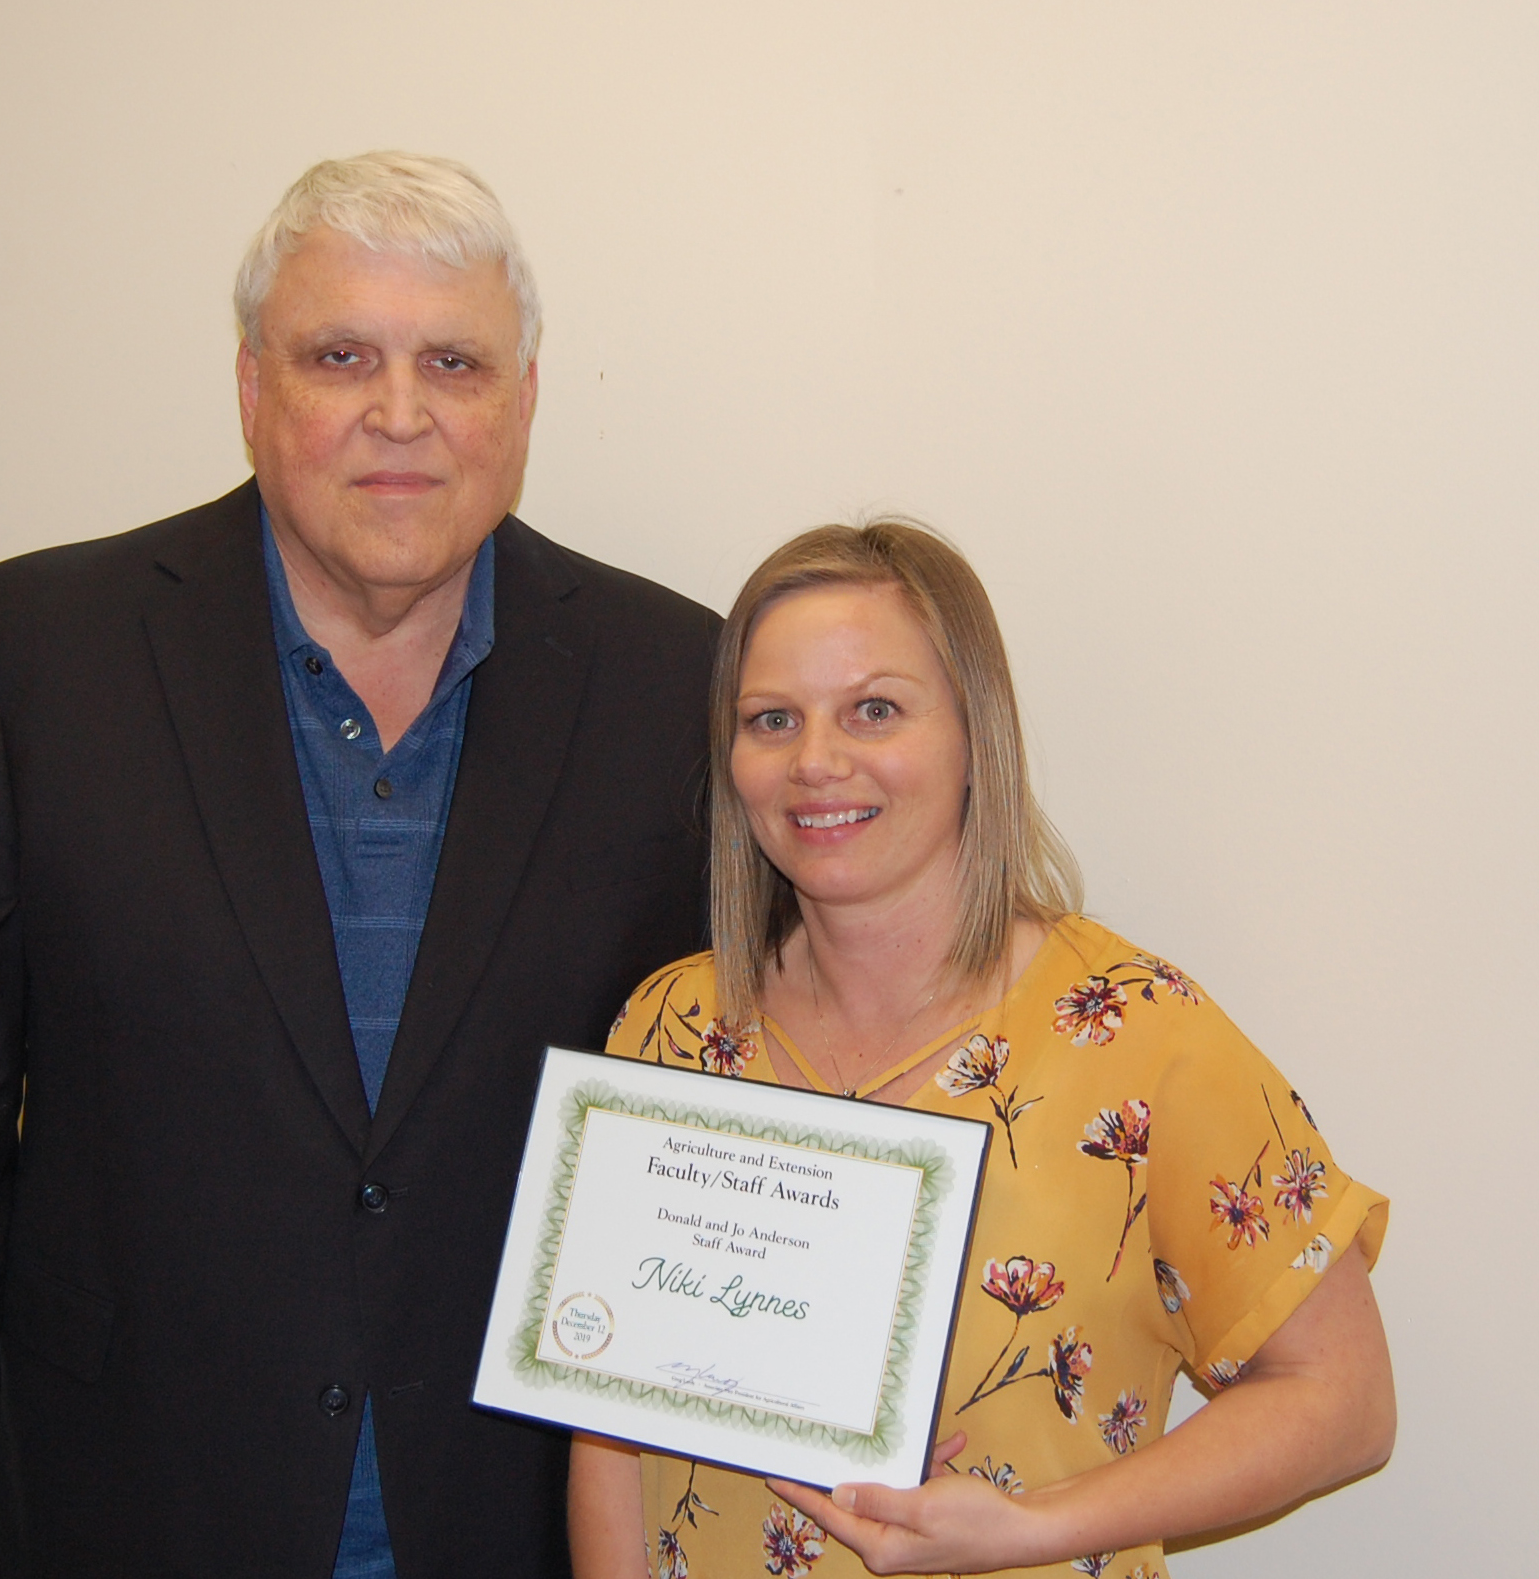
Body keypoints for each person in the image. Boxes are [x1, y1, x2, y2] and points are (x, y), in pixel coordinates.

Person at [0, 152, 718, 1578]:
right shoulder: (43, 656)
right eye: (339, 356)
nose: (401, 412)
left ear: (526, 403)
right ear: (253, 388)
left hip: (530, 1530)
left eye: (455, 361)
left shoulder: (674, 679)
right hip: (123, 1515)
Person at [570, 521, 1393, 1578]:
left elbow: (1345, 1398)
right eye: (770, 718)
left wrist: (1038, 1525)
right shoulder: (671, 1027)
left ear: (973, 734)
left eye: (874, 708)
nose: (815, 759)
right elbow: (600, 1410)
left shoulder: (1137, 1034)